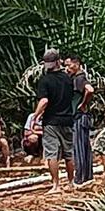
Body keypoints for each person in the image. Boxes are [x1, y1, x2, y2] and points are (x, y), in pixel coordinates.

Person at [33, 49, 75, 192]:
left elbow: (44, 100)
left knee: (52, 153)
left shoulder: (45, 80)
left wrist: (35, 115)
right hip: (68, 119)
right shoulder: (68, 78)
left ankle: (56, 184)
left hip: (51, 121)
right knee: (69, 153)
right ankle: (71, 183)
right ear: (59, 61)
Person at [66, 54, 95, 185]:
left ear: (76, 64)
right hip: (83, 117)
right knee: (84, 147)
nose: (67, 68)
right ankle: (87, 176)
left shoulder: (79, 78)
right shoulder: (77, 77)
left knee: (78, 148)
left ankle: (80, 177)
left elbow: (89, 89)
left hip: (79, 117)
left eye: (69, 65)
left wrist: (83, 104)